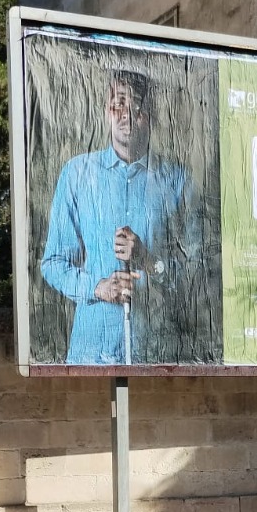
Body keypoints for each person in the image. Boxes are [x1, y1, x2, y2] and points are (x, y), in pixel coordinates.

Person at [41, 69, 200, 364]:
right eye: (119, 104)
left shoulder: (176, 181)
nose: (127, 114)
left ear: (150, 116)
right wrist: (98, 287)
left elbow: (197, 270)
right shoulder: (78, 175)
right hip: (91, 355)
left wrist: (148, 260)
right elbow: (53, 263)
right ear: (107, 111)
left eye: (138, 108)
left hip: (156, 355)